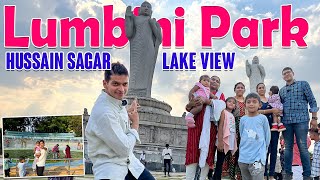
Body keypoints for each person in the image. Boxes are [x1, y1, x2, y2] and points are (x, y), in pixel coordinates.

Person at [85, 62, 155, 180]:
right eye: (116, 84)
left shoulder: (116, 102)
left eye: (125, 84)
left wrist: (127, 114)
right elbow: (125, 149)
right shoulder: (104, 112)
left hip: (131, 165)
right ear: (105, 83)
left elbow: (117, 125)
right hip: (111, 170)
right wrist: (135, 124)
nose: (121, 89)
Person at [279, 67, 318, 179]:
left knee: (303, 147)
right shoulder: (282, 91)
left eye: (288, 72)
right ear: (282, 77)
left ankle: (307, 174)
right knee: (288, 148)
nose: (286, 75)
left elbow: (312, 100)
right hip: (286, 122)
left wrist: (314, 118)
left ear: (293, 73)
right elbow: (280, 107)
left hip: (301, 120)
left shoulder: (303, 84)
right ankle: (287, 174)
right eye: (284, 74)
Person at [185, 76, 225, 180]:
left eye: (217, 81)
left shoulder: (220, 95)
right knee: (192, 150)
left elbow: (222, 109)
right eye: (213, 79)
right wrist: (190, 103)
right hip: (195, 125)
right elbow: (189, 107)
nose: (214, 82)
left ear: (219, 85)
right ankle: (189, 177)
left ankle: (202, 177)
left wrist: (207, 101)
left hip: (211, 129)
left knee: (208, 152)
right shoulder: (199, 90)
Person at [125, 1, 162, 97]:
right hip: (136, 46)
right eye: (144, 6)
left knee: (146, 69)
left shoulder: (153, 22)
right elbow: (129, 33)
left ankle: (144, 90)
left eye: (148, 7)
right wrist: (128, 17)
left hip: (148, 48)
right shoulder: (135, 19)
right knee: (135, 68)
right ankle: (133, 90)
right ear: (139, 9)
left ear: (151, 11)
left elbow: (159, 38)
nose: (146, 8)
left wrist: (153, 25)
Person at [238, 93, 271, 179]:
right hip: (243, 158)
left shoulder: (263, 118)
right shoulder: (243, 119)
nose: (251, 104)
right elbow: (242, 135)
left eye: (254, 102)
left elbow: (267, 137)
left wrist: (263, 152)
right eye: (248, 102)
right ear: (245, 105)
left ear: (259, 105)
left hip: (258, 158)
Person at [256, 83, 281, 180]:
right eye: (259, 88)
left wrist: (277, 111)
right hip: (262, 128)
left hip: (274, 127)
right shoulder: (256, 100)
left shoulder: (271, 99)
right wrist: (271, 111)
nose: (261, 89)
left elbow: (278, 109)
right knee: (263, 151)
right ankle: (264, 174)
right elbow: (256, 112)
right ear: (257, 89)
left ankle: (271, 175)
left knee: (274, 150)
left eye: (263, 87)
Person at [213, 97, 238, 180]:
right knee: (220, 163)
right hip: (223, 141)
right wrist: (220, 141)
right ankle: (215, 178)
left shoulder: (232, 116)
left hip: (230, 142)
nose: (231, 103)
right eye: (229, 101)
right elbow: (220, 127)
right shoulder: (224, 112)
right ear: (225, 103)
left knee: (223, 162)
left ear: (235, 106)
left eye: (233, 102)